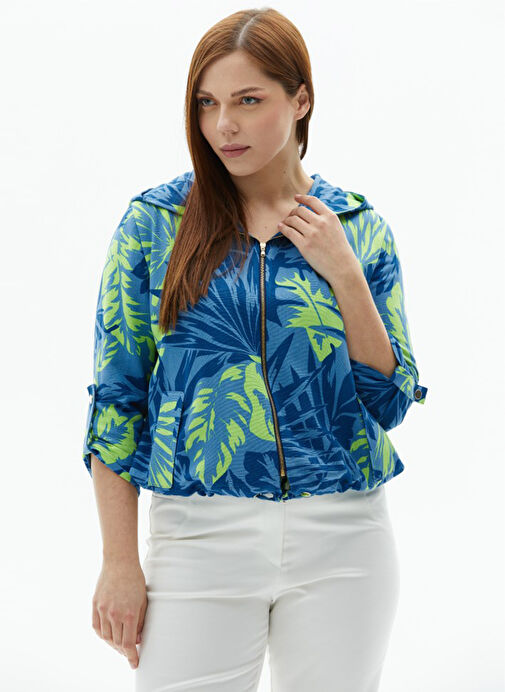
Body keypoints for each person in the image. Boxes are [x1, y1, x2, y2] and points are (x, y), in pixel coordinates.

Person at [82, 7, 428, 691]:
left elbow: (388, 403)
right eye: (206, 103)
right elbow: (117, 400)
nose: (223, 126)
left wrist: (344, 273)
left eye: (247, 101)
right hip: (198, 538)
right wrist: (119, 562)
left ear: (300, 101)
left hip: (344, 539)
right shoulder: (155, 225)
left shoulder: (358, 227)